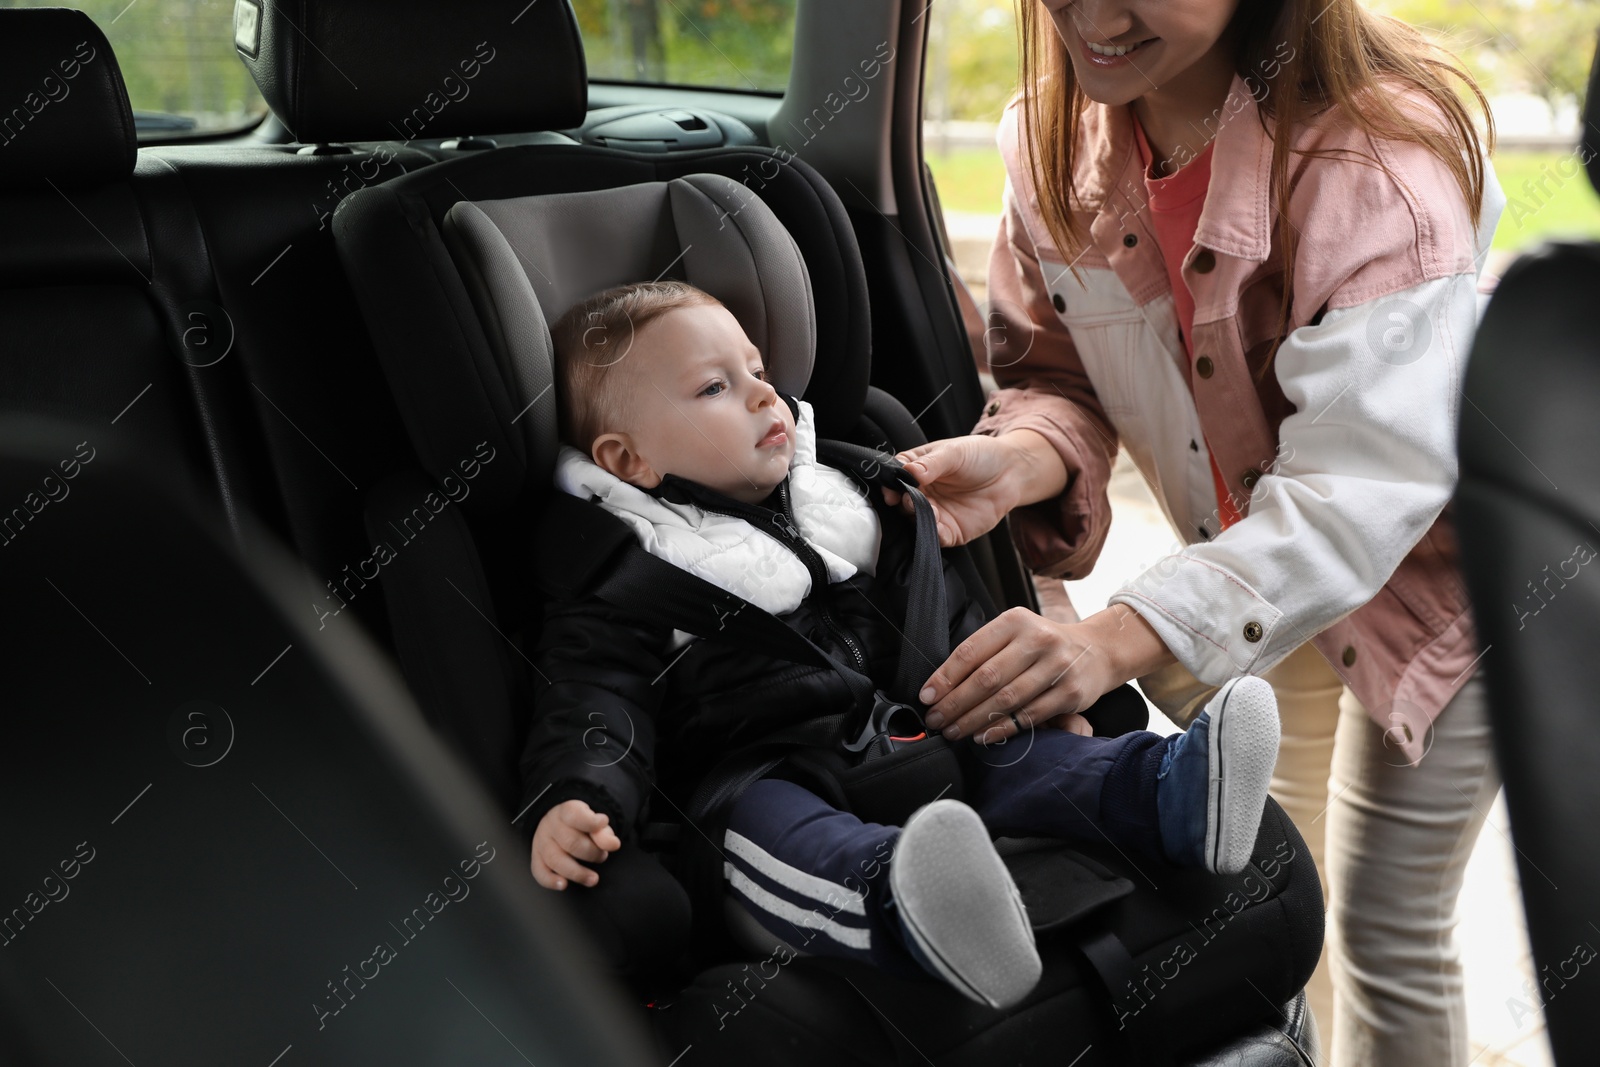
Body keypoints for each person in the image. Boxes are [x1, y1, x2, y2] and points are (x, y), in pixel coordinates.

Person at [891, 0, 1505, 1062]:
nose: (1091, 12)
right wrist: (1025, 456)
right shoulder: (1051, 146)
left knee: (1385, 927)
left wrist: (1110, 638)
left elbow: (1356, 489)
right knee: (1269, 899)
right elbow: (1053, 377)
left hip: (1449, 588)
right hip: (1258, 573)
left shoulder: (1379, 162)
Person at [516, 279, 1282, 1010]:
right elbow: (594, 701)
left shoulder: (849, 501)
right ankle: (913, 907)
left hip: (913, 729)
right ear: (628, 460)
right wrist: (579, 794)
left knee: (1020, 754)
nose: (760, 392)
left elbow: (941, 620)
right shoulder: (625, 569)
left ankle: (1171, 793)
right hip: (755, 775)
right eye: (714, 388)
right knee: (780, 832)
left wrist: (1019, 698)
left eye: (755, 368)